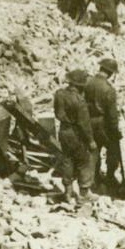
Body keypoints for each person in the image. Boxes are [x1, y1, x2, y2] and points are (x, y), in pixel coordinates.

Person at [54, 69, 95, 204]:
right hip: (76, 133)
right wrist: (90, 140)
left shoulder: (59, 94)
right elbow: (84, 124)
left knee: (67, 159)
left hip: (63, 131)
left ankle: (68, 191)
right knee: (85, 160)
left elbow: (58, 114)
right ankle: (84, 192)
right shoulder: (80, 101)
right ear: (80, 85)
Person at [84, 58, 121, 189]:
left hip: (87, 121)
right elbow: (112, 114)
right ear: (110, 73)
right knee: (113, 149)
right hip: (102, 123)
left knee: (93, 150)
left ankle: (94, 178)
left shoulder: (87, 82)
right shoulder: (108, 89)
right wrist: (115, 130)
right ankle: (110, 177)